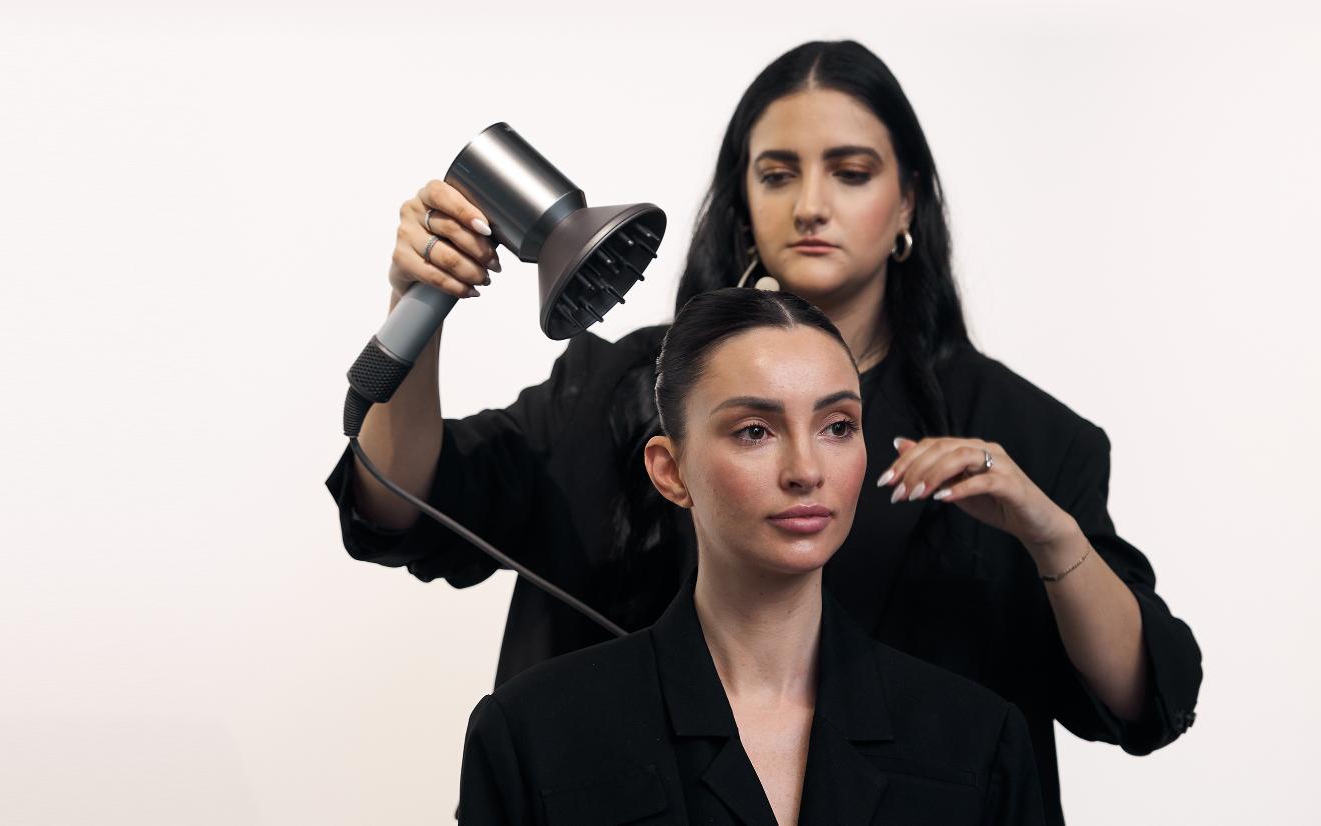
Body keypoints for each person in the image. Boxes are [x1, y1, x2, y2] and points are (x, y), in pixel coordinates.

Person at [325, 40, 1199, 823]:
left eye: (850, 173)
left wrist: (1051, 535)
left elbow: (1141, 701)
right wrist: (419, 304)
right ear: (668, 465)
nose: (811, 205)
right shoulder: (624, 390)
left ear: (907, 203)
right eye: (778, 174)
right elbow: (404, 507)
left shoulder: (1019, 436)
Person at [459, 288, 1044, 825]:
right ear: (670, 470)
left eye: (838, 426)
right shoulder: (530, 735)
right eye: (755, 431)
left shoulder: (979, 740)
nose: (806, 471)